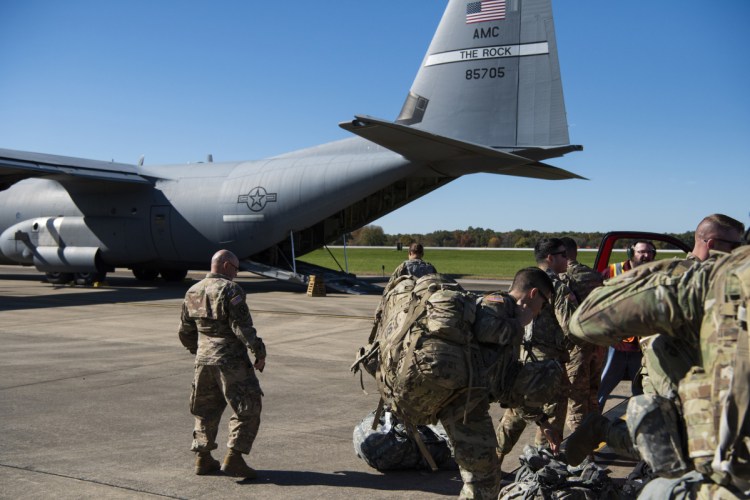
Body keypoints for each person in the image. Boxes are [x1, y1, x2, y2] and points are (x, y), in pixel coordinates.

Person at [566, 243, 750, 498]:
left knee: (667, 447)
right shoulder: (707, 280)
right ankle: (600, 429)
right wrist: (661, 281)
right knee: (664, 455)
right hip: (640, 359)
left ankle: (604, 430)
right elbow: (586, 320)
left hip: (687, 383)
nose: (645, 256)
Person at [442, 266, 560, 499]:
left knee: (484, 477)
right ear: (533, 294)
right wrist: (519, 324)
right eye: (544, 304)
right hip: (461, 404)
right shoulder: (499, 303)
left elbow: (507, 387)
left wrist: (542, 421)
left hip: (470, 403)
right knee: (483, 480)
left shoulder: (510, 315)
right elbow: (485, 329)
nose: (541, 311)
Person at [178, 249, 267, 478]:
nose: (236, 274)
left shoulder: (193, 291)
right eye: (236, 269)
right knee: (248, 406)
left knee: (205, 410)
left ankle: (203, 458)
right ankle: (234, 458)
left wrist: (198, 351)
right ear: (227, 266)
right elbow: (242, 326)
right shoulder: (230, 290)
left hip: (203, 360)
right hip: (231, 361)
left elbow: (185, 330)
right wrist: (258, 351)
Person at [496, 238, 576, 469]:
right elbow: (569, 326)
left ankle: (495, 461)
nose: (567, 259)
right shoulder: (558, 288)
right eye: (563, 255)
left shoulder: (524, 281)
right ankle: (541, 470)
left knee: (515, 414)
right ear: (550, 258)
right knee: (550, 422)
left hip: (522, 358)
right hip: (547, 365)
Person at [597, 240, 657, 408]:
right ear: (631, 253)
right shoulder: (612, 271)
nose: (645, 255)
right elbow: (595, 300)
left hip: (641, 345)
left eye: (649, 252)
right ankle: (590, 427)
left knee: (642, 391)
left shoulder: (656, 273)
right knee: (601, 389)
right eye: (641, 252)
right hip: (615, 344)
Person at [559, 237, 604, 435]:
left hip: (577, 348)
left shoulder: (563, 278)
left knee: (576, 400)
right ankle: (593, 440)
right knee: (592, 396)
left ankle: (583, 455)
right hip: (598, 344)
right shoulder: (594, 275)